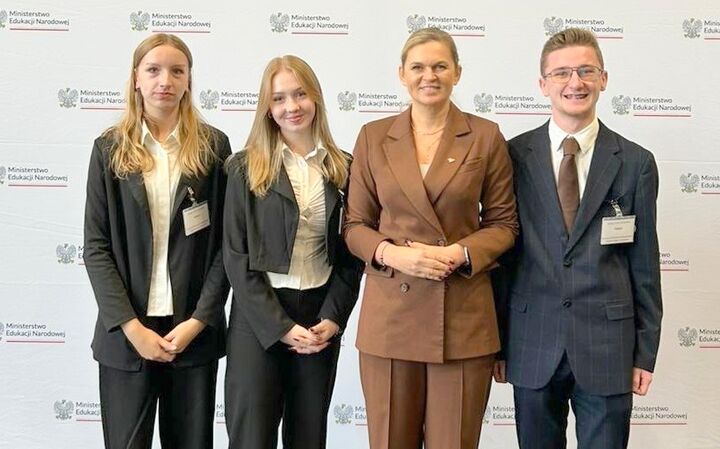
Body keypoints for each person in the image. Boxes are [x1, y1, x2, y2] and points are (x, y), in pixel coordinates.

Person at [343, 27, 518, 449]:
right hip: (391, 318)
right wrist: (392, 255)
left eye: (440, 66)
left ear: (457, 72)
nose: (429, 76)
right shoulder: (373, 136)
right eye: (418, 67)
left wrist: (461, 252)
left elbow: (504, 224)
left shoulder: (485, 135)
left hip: (461, 317)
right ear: (402, 74)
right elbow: (354, 226)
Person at [494, 27, 663, 449]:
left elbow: (645, 265)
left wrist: (645, 352)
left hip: (609, 347)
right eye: (562, 73)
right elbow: (503, 259)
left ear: (603, 79)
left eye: (586, 71)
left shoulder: (636, 163)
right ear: (543, 84)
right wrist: (498, 345)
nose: (575, 82)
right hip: (532, 342)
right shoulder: (511, 157)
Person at [83, 34, 231, 449]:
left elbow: (227, 247)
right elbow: (96, 247)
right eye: (153, 70)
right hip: (126, 335)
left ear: (188, 80)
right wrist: (133, 329)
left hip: (192, 334)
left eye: (176, 71)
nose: (165, 80)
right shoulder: (109, 149)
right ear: (136, 78)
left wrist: (198, 322)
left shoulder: (214, 147)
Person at [223, 55, 363, 449]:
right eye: (279, 98)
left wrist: (333, 318)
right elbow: (235, 256)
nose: (292, 106)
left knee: (308, 436)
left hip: (319, 317)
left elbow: (351, 255)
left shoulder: (344, 167)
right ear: (267, 108)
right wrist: (280, 327)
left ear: (315, 97)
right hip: (258, 318)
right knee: (252, 437)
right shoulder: (244, 168)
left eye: (300, 94)